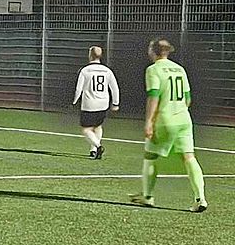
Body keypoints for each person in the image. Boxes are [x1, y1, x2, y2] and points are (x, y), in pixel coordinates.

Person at [131, 39, 208, 213]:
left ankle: (147, 196)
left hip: (165, 120)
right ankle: (200, 198)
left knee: (150, 156)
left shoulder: (153, 70)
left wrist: (149, 122)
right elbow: (188, 99)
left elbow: (154, 97)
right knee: (189, 157)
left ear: (153, 51)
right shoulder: (179, 69)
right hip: (184, 119)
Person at [73, 46, 120, 159]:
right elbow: (115, 88)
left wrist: (74, 101)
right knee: (98, 127)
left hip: (89, 103)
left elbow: (79, 89)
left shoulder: (85, 70)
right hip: (103, 103)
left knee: (86, 129)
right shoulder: (107, 70)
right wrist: (115, 103)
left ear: (90, 55)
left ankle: (98, 146)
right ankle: (93, 150)